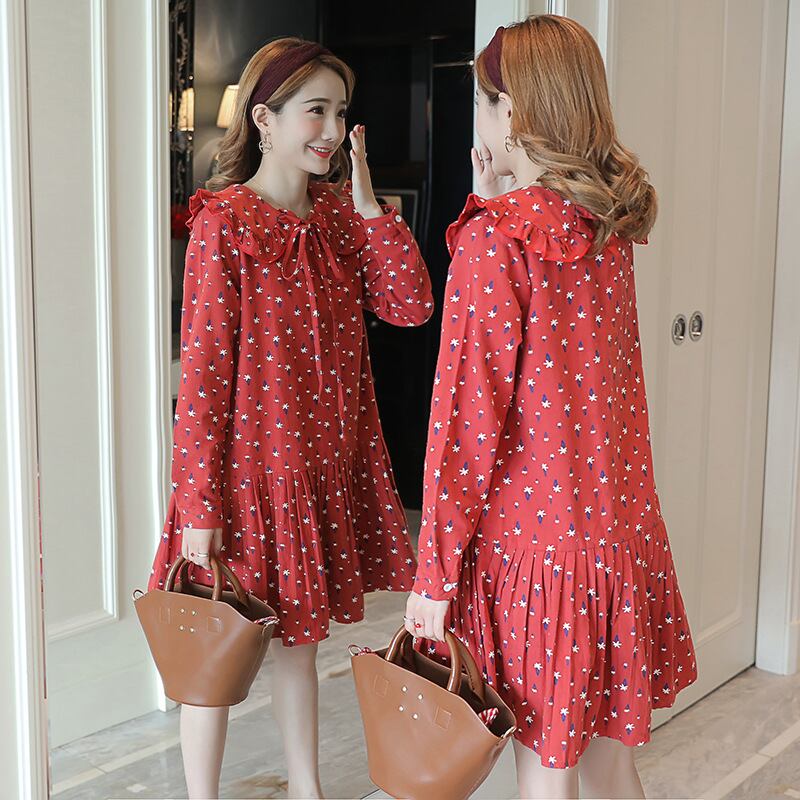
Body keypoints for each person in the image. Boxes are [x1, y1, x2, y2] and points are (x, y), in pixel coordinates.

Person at [404, 14, 698, 800]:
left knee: (546, 771)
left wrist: (433, 575)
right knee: (608, 763)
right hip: (616, 538)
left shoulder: (494, 241)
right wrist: (497, 200)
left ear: (513, 111)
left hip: (536, 559)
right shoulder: (604, 226)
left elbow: (466, 426)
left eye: (483, 100)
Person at [147, 37, 433, 800]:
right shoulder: (225, 223)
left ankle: (308, 790)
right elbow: (203, 375)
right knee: (212, 659)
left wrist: (370, 207)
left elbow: (410, 306)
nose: (333, 131)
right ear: (264, 118)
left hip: (316, 478)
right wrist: (197, 507)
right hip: (243, 484)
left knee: (300, 648)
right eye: (316, 111)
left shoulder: (340, 217)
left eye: (341, 112)